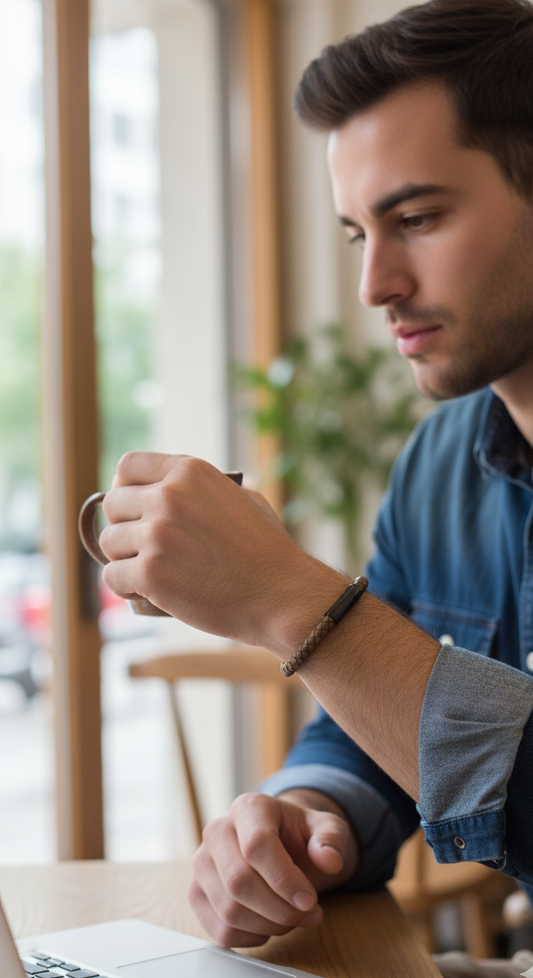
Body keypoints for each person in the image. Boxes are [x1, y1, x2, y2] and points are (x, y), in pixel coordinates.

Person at [98, 0, 533, 973]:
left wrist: (294, 602)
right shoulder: (436, 466)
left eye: (415, 219)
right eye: (354, 234)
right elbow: (362, 732)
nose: (375, 284)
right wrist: (306, 814)